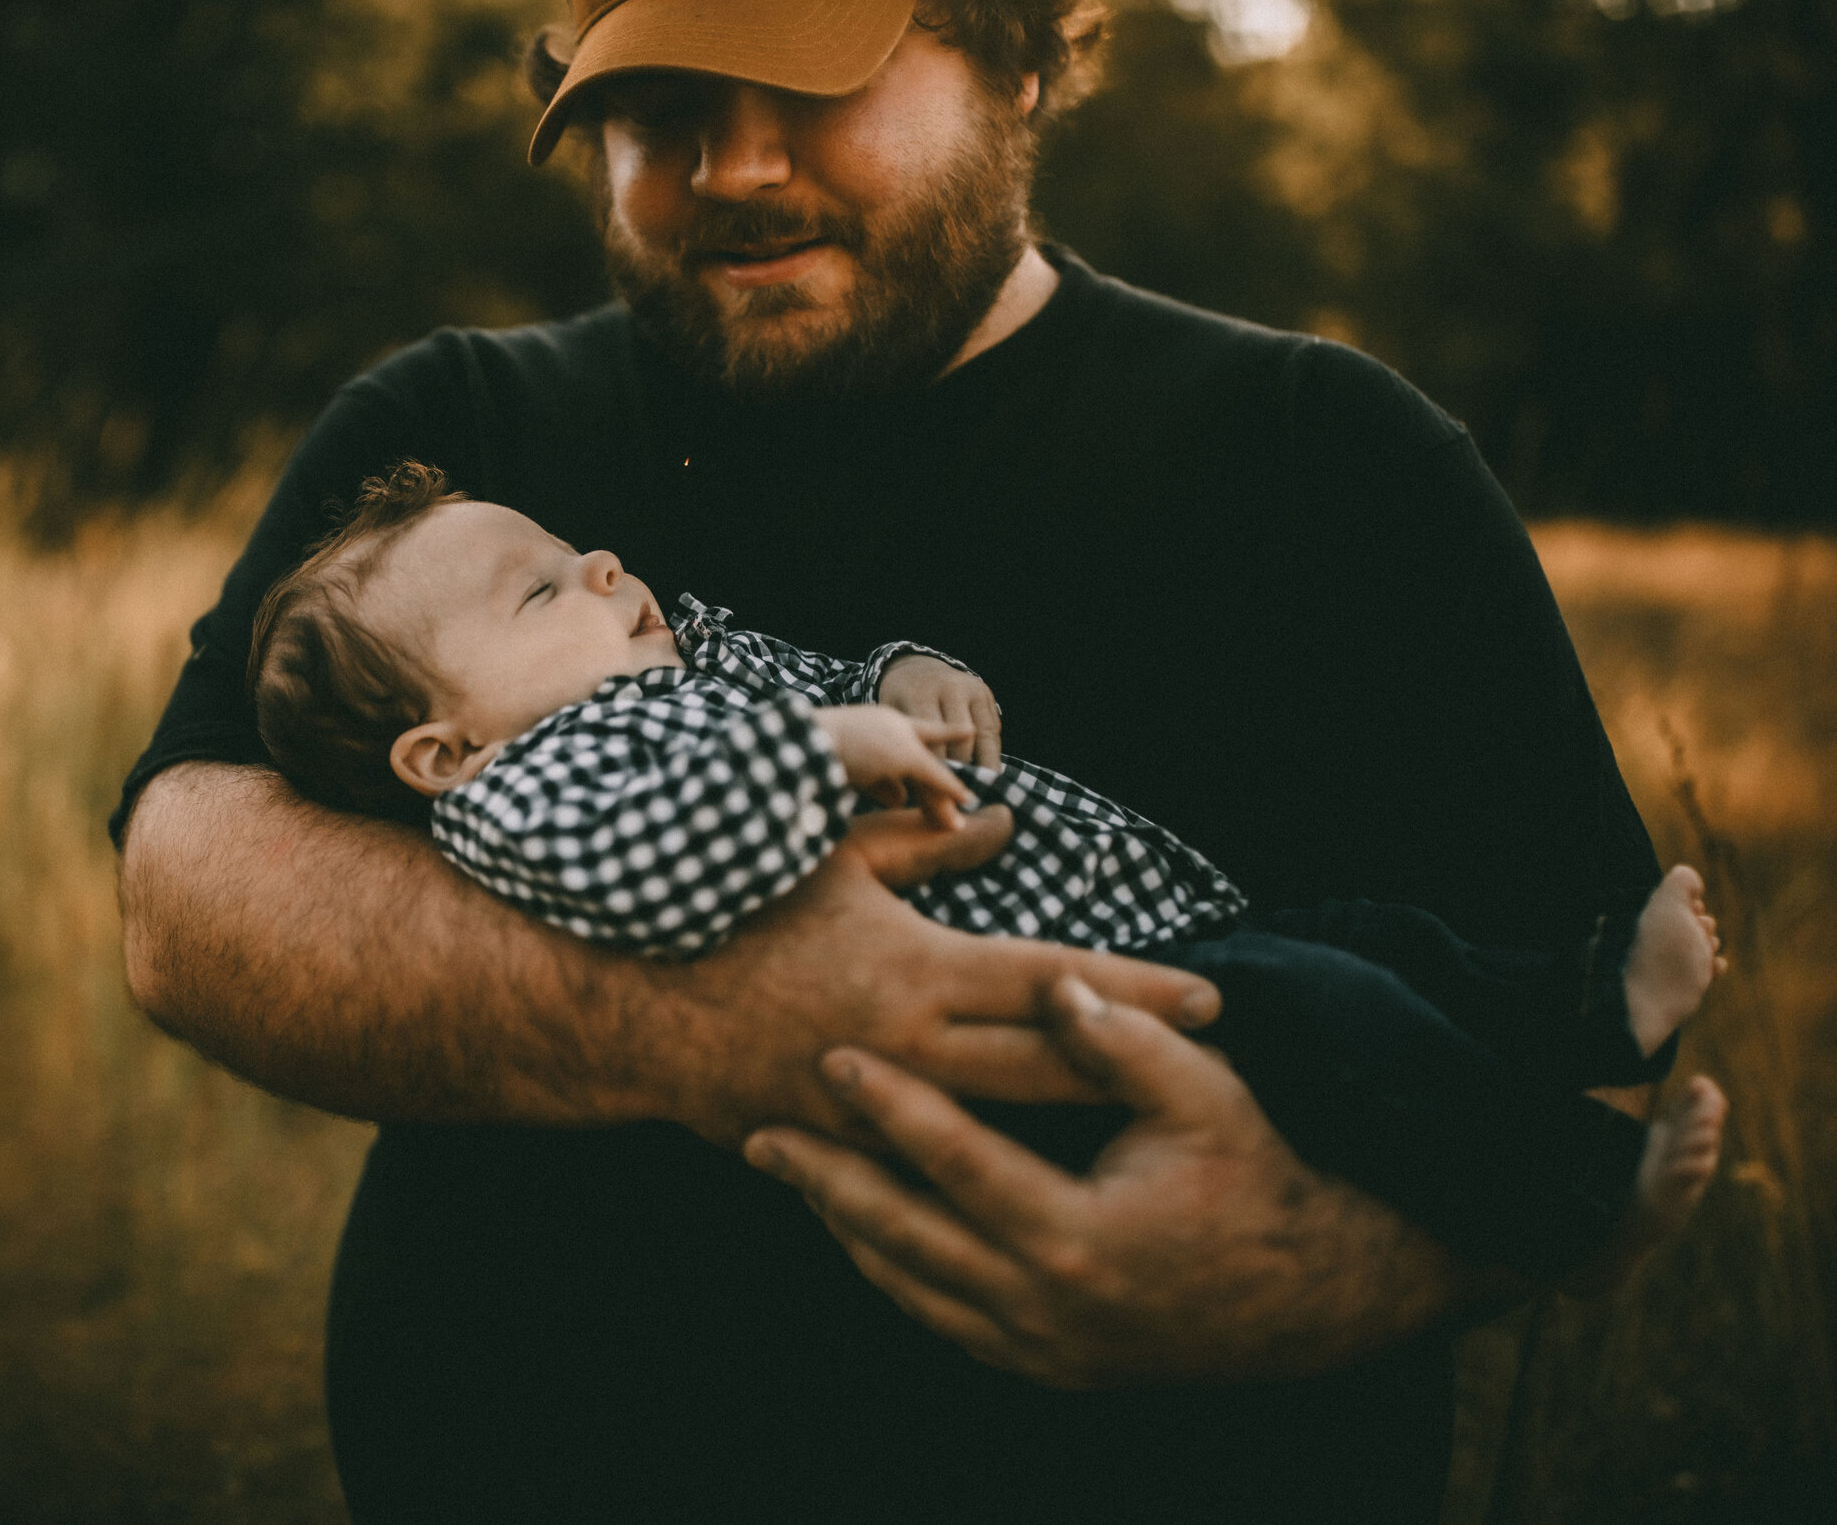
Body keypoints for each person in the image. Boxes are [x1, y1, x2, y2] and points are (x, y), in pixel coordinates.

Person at [113, 0, 1690, 1517]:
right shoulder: (453, 464)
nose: (734, 166)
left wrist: (1333, 1271)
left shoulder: (1329, 462)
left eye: (810, 76)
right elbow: (187, 887)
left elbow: (1581, 1033)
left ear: (1017, 60)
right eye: (656, 107)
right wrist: (697, 1018)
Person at [243, 462, 1726, 1287]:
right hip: (1073, 1001)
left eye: (583, 552)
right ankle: (1576, 1200)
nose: (609, 569)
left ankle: (1588, 1010)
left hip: (1159, 916)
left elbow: (818, 673)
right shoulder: (531, 789)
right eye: (545, 588)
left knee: (1372, 945)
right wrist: (825, 750)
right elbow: (651, 867)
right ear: (441, 754)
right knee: (1346, 1022)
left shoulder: (676, 667)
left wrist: (905, 671)